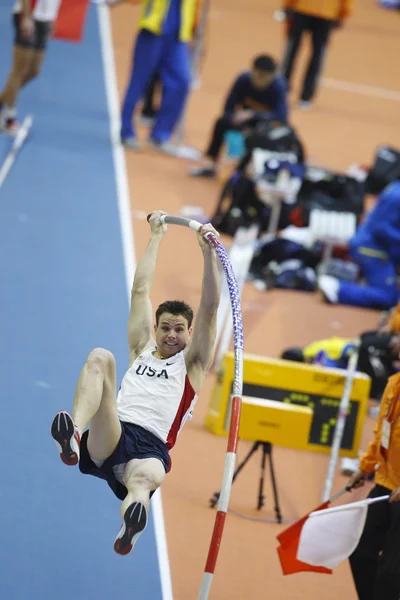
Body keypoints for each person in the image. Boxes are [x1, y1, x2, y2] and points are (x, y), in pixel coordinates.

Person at [50, 211, 220, 555]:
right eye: (165, 327)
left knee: (141, 483)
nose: (171, 335)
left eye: (179, 329)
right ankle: (73, 434)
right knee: (100, 356)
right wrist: (156, 235)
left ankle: (130, 529)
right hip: (113, 431)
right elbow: (141, 290)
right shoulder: (141, 348)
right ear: (155, 329)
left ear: (190, 332)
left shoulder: (193, 364)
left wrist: (208, 252)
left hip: (152, 449)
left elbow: (210, 308)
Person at [115, 0, 200, 153]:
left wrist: (193, 27)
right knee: (139, 81)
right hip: (154, 29)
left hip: (178, 34)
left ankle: (160, 136)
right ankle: (126, 132)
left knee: (182, 81)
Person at [347, 367, 400, 600]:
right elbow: (383, 432)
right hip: (386, 483)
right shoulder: (394, 383)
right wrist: (366, 466)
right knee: (360, 552)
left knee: (391, 572)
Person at [190, 54, 289, 179]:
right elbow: (228, 106)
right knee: (221, 123)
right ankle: (211, 165)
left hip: (264, 127)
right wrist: (234, 119)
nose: (261, 81)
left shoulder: (279, 86)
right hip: (242, 121)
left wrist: (253, 115)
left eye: (265, 78)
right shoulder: (243, 79)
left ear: (272, 76)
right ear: (252, 71)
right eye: (258, 76)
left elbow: (282, 117)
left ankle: (256, 174)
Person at [318, 181, 400, 310]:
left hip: (374, 244)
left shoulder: (396, 187)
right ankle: (338, 288)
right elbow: (382, 229)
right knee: (389, 296)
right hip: (371, 248)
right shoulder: (397, 196)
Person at [0, 0, 61, 135]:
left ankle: (1, 102)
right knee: (19, 70)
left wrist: (52, 17)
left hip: (45, 18)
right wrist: (26, 17)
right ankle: (10, 119)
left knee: (34, 71)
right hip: (29, 15)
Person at [280, 0, 354, 108]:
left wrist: (288, 6)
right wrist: (342, 14)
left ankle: (282, 91)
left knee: (291, 52)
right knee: (317, 56)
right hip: (326, 14)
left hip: (302, 8)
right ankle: (306, 98)